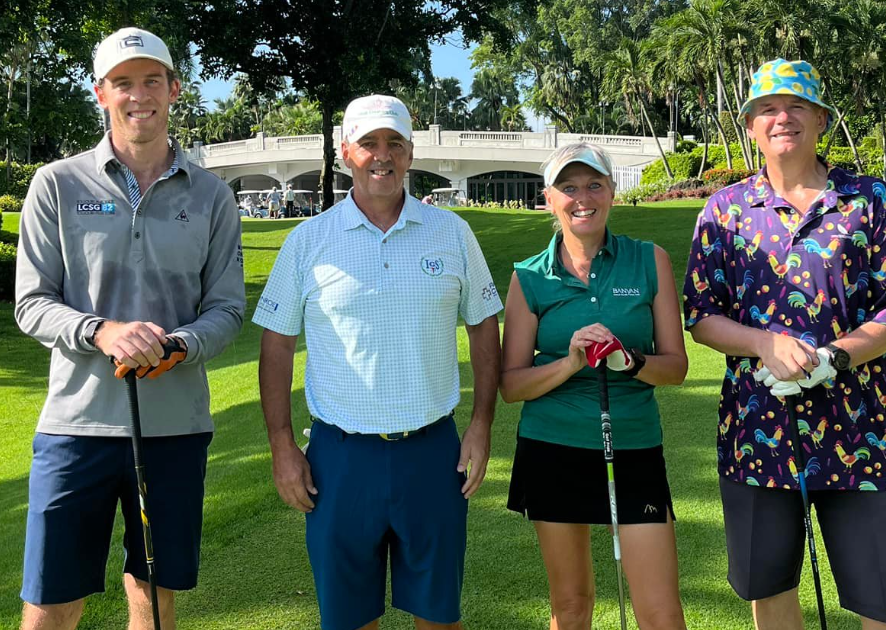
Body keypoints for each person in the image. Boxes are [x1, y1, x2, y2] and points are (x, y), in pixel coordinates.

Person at [14, 27, 245, 630]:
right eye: (122, 83)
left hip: (175, 428)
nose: (138, 95)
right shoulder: (57, 183)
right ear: (101, 93)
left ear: (173, 89)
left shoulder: (213, 196)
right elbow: (32, 303)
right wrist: (102, 331)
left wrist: (180, 344)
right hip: (75, 426)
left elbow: (226, 309)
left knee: (154, 593)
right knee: (50, 600)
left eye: (151, 81)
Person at [683, 59, 886, 630]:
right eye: (767, 109)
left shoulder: (869, 200)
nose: (782, 118)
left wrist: (834, 357)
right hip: (756, 436)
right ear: (751, 126)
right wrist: (763, 343)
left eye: (796, 106)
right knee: (770, 595)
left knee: (885, 605)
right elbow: (701, 315)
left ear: (820, 119)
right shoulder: (724, 210)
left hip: (859, 435)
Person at [253, 94, 502, 630]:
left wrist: (482, 423)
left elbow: (484, 325)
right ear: (346, 152)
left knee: (439, 619)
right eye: (368, 143)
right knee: (348, 621)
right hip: (340, 459)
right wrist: (281, 444)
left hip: (432, 454)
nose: (382, 155)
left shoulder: (452, 232)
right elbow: (276, 346)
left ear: (411, 153)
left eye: (394, 143)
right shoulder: (307, 241)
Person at [500, 142, 689, 630]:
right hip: (552, 446)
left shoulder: (649, 260)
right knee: (571, 605)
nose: (582, 198)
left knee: (661, 612)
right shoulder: (529, 277)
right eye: (568, 187)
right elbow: (512, 385)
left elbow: (676, 368)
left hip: (633, 445)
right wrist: (570, 363)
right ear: (549, 199)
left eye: (594, 185)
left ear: (611, 192)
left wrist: (631, 361)